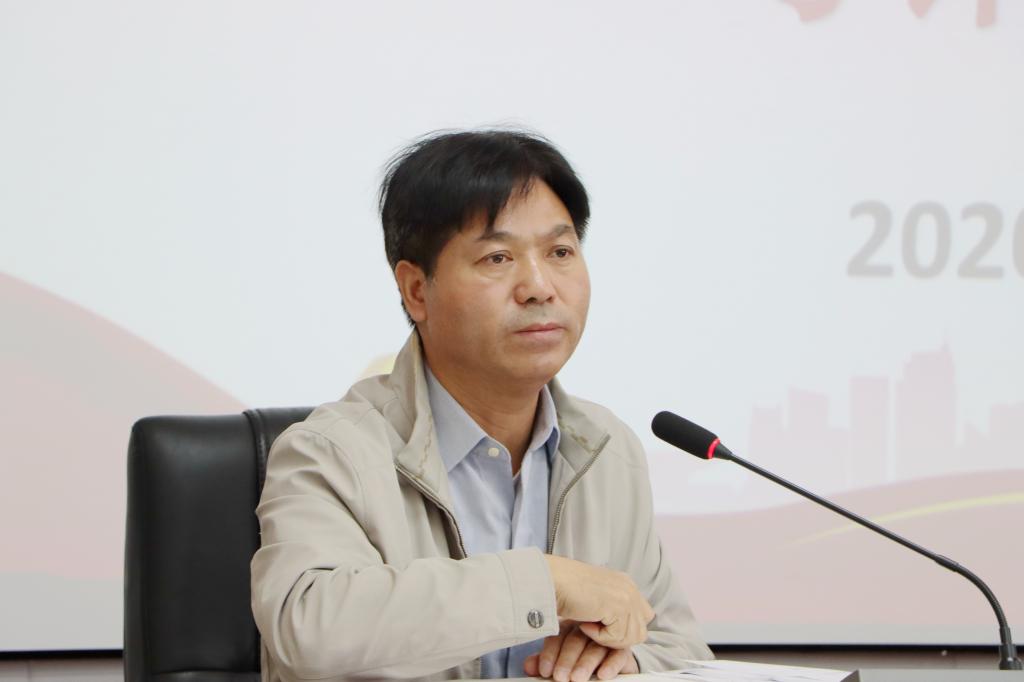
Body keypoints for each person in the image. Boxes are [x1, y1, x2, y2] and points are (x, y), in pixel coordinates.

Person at [250, 129, 712, 682]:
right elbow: (310, 628)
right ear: (416, 290)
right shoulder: (330, 452)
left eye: (560, 252)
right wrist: (544, 584)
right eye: (498, 257)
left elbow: (680, 649)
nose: (539, 287)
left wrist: (626, 661)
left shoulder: (606, 449)